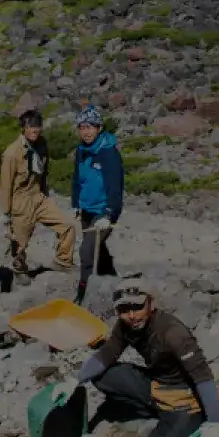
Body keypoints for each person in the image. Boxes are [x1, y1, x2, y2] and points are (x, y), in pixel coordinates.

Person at [77, 284, 219, 437]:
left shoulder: (173, 333)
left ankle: (180, 423)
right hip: (155, 386)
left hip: (183, 402)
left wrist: (214, 421)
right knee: (102, 375)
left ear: (151, 304)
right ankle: (156, 414)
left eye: (138, 307)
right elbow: (107, 354)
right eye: (124, 309)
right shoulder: (126, 326)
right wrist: (75, 380)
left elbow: (202, 376)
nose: (131, 315)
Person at [0, 107, 77, 277]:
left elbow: (44, 170)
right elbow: (6, 184)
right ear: (23, 128)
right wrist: (6, 212)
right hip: (21, 201)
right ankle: (19, 271)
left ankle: (63, 261)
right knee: (19, 245)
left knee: (68, 226)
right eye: (30, 126)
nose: (34, 130)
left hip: (39, 196)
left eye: (37, 126)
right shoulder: (12, 153)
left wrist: (45, 192)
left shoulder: (42, 145)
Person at [69, 105, 125, 307]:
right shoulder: (81, 151)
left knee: (86, 252)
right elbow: (77, 179)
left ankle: (82, 295)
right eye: (82, 127)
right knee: (96, 249)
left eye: (90, 127)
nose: (86, 131)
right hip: (87, 209)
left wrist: (109, 215)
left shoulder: (108, 153)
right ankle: (114, 280)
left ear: (99, 128)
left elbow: (115, 187)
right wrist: (76, 203)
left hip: (103, 211)